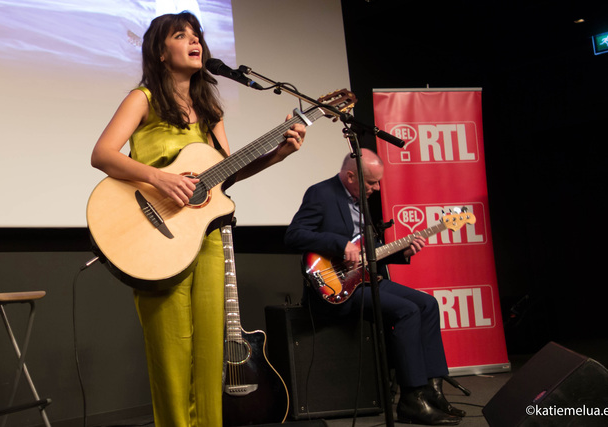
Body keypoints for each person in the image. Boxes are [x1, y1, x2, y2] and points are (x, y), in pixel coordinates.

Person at [91, 11, 306, 427]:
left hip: (208, 237)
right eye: (180, 35)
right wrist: (159, 176)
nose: (194, 41)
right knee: (172, 358)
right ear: (160, 49)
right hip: (155, 240)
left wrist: (277, 154)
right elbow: (102, 154)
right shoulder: (144, 98)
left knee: (211, 356)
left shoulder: (210, 110)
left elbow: (224, 177)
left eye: (197, 35)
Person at [284, 149, 464, 426]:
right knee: (406, 311)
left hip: (365, 279)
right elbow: (294, 235)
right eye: (371, 183)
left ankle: (433, 391)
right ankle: (411, 398)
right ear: (351, 176)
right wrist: (339, 244)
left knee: (428, 304)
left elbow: (371, 252)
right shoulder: (321, 193)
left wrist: (402, 252)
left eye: (378, 182)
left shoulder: (363, 201)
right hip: (335, 288)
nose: (377, 188)